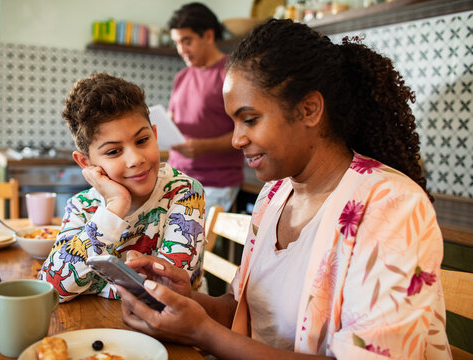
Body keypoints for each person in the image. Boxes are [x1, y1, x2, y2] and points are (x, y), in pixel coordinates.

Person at [115, 20, 451, 359]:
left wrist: (202, 332)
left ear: (309, 109)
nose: (236, 139)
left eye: (250, 119)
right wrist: (185, 300)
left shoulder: (391, 204)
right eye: (233, 121)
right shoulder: (274, 194)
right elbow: (241, 312)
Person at [39, 73, 206, 303]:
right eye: (114, 151)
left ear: (155, 136)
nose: (135, 159)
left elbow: (166, 292)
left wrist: (91, 284)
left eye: (142, 140)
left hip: (178, 331)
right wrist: (115, 207)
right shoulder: (80, 206)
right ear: (86, 163)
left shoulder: (185, 193)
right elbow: (52, 288)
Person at [167, 2, 244, 214]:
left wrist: (203, 146)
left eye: (187, 41)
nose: (181, 50)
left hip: (214, 183)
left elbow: (246, 132)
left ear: (208, 36)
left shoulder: (232, 74)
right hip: (175, 177)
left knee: (187, 245)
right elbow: (173, 120)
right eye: (177, 42)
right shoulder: (182, 77)